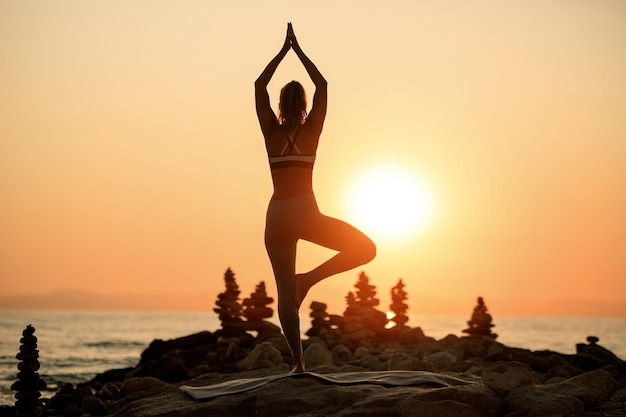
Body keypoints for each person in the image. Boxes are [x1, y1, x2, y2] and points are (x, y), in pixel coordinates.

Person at [255, 23, 376, 372]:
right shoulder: (312, 131)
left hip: (276, 213)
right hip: (305, 211)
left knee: (283, 293)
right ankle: (308, 280)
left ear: (279, 103)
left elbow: (258, 85)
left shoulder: (270, 132)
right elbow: (322, 84)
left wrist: (282, 53)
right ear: (305, 104)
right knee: (366, 249)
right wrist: (299, 51)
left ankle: (298, 364)